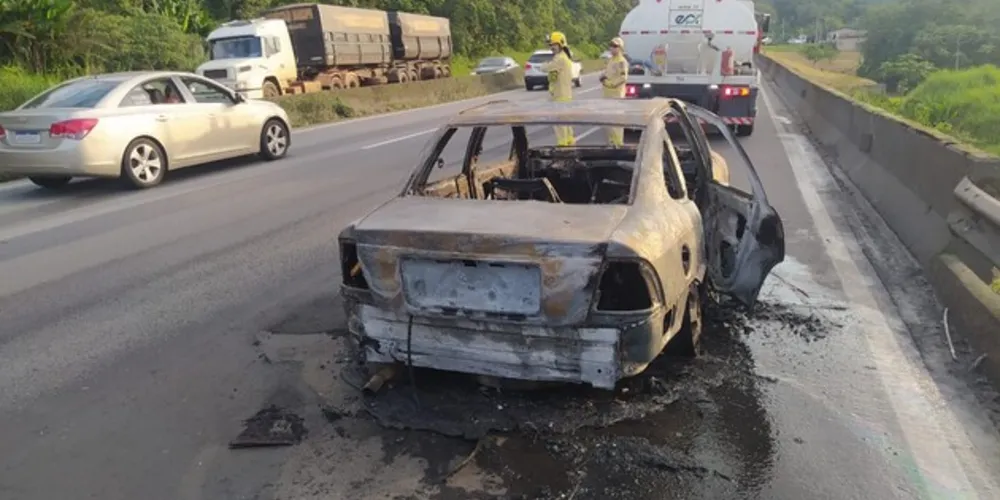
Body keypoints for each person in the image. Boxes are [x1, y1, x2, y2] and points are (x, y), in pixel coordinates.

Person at [544, 31, 575, 146]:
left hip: (560, 96)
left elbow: (547, 68)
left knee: (560, 124)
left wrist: (544, 65)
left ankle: (563, 146)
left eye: (554, 45)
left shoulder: (560, 59)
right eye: (551, 45)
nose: (552, 47)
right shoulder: (562, 57)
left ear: (560, 45)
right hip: (562, 95)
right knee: (566, 124)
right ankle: (569, 144)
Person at [599, 37, 629, 147]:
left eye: (615, 46)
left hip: (616, 95)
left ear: (620, 48)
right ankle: (611, 144)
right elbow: (609, 73)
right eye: (611, 46)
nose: (612, 48)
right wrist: (603, 77)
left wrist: (611, 84)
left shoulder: (621, 61)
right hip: (607, 95)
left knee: (616, 123)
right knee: (608, 122)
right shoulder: (611, 60)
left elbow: (623, 78)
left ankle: (618, 145)